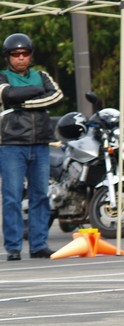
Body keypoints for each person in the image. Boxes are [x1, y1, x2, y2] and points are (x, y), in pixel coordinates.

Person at [0, 33, 63, 260]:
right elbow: (8, 94)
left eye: (24, 53)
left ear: (30, 55)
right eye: (15, 54)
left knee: (40, 196)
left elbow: (56, 96)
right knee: (12, 196)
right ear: (8, 57)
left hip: (41, 143)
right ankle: (13, 247)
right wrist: (37, 91)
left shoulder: (42, 75)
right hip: (11, 143)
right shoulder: (2, 76)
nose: (20, 57)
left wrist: (22, 102)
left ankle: (38, 245)